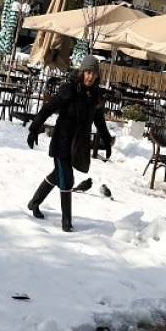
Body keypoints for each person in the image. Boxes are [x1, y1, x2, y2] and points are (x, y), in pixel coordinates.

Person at [25, 55, 113, 232]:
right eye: (88, 72)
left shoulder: (95, 95)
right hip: (62, 141)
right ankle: (67, 222)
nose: (90, 76)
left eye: (94, 74)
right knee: (67, 178)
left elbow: (99, 120)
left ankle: (34, 203)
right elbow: (48, 109)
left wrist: (106, 140)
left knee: (58, 175)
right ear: (82, 72)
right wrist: (34, 128)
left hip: (78, 144)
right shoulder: (69, 89)